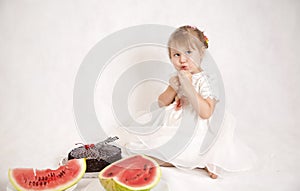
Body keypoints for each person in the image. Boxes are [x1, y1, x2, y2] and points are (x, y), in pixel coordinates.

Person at [124, 25, 255, 179]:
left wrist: (188, 87)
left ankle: (204, 160)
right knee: (145, 146)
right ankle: (177, 157)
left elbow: (206, 112)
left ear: (201, 52)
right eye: (176, 54)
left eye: (188, 52)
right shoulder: (177, 76)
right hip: (176, 123)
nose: (182, 59)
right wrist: (173, 88)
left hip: (200, 126)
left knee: (185, 150)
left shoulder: (206, 80)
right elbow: (162, 103)